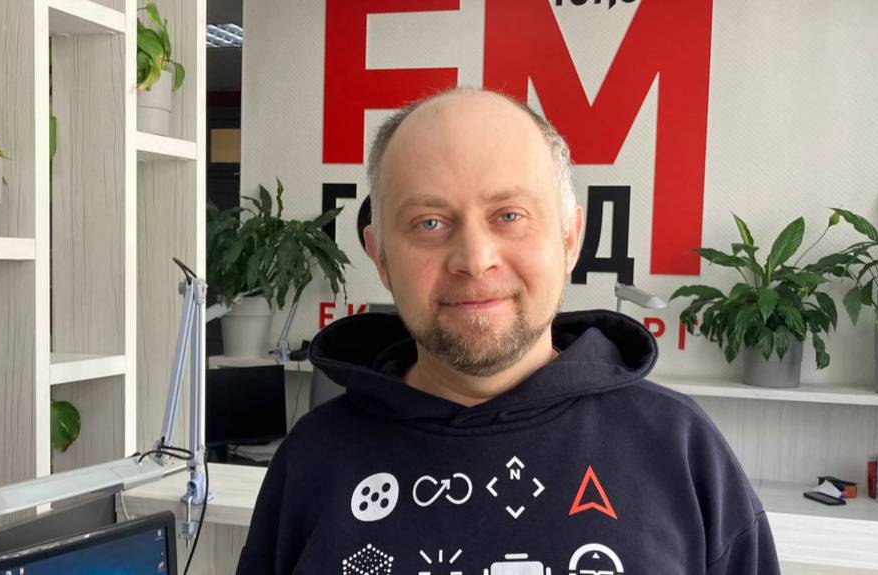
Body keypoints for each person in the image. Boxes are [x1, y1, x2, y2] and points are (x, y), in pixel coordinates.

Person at [236, 87, 780, 574]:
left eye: (509, 215)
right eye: (429, 223)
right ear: (380, 256)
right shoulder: (312, 462)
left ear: (570, 238)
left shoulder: (680, 449)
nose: (475, 259)